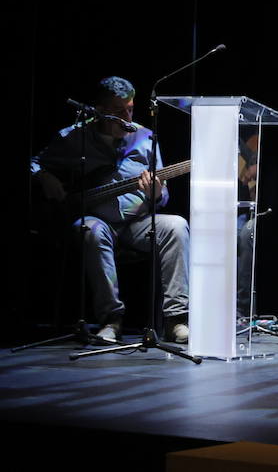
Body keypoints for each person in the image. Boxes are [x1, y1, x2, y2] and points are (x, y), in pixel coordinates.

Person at [29, 76, 191, 344]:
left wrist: (156, 191)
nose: (127, 118)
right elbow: (34, 163)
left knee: (175, 225)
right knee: (91, 230)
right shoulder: (74, 138)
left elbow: (162, 199)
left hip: (136, 223)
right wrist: (45, 176)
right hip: (97, 220)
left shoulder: (146, 137)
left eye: (130, 109)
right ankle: (111, 319)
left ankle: (176, 320)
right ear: (99, 111)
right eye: (119, 112)